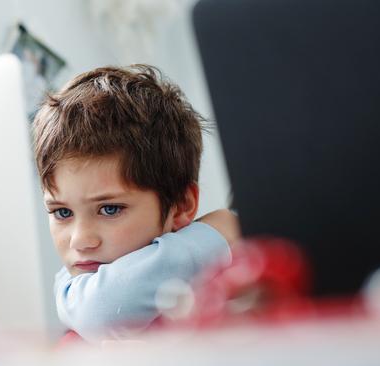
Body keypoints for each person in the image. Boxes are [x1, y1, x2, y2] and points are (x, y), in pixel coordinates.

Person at [32, 64, 240, 344]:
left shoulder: (226, 284)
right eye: (62, 212)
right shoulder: (76, 290)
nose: (80, 241)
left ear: (181, 205)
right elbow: (102, 310)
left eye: (109, 209)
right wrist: (215, 232)